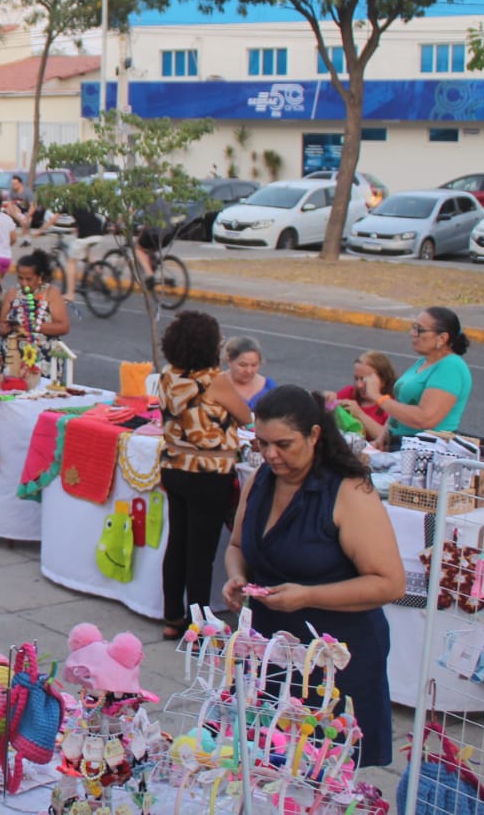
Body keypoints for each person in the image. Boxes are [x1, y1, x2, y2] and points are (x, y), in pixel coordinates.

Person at [222, 385, 404, 767]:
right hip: (271, 652)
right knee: (266, 766)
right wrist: (236, 577)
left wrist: (307, 596)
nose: (271, 454)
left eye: (283, 444)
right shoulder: (261, 479)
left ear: (315, 435)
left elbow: (389, 583)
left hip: (335, 662)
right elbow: (238, 546)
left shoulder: (349, 492)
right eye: (262, 443)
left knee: (322, 778)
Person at [156, 310, 255, 641]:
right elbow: (245, 416)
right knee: (201, 552)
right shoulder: (215, 380)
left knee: (177, 544)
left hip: (173, 467)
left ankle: (173, 618)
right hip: (208, 472)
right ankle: (198, 624)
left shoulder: (168, 375)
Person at [374, 306, 474, 444]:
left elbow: (425, 418)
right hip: (399, 444)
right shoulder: (424, 361)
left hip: (423, 452)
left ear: (442, 338)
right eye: (413, 328)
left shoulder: (451, 367)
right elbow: (402, 402)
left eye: (419, 330)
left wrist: (378, 398)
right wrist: (384, 435)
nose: (412, 333)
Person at [0, 249, 70, 377]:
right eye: (20, 278)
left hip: (41, 359)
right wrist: (3, 328)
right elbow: (0, 324)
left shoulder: (51, 294)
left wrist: (35, 326)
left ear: (40, 276)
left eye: (29, 279)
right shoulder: (12, 293)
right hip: (13, 356)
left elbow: (63, 326)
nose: (24, 283)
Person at [335, 351, 399, 443]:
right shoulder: (349, 393)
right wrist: (328, 400)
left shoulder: (391, 405)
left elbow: (387, 439)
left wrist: (359, 414)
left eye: (365, 379)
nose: (359, 385)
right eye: (356, 379)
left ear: (383, 380)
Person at [223, 336, 276, 409]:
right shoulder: (216, 385)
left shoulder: (269, 387)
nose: (249, 371)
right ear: (229, 361)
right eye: (243, 365)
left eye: (254, 365)